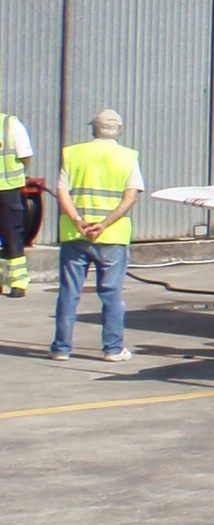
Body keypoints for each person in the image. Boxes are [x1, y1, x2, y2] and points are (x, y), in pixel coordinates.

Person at [51, 108, 142, 362]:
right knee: (111, 294)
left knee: (69, 293)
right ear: (119, 130)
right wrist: (104, 224)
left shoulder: (72, 153)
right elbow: (131, 197)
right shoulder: (128, 157)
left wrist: (78, 221)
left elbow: (62, 191)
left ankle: (61, 348)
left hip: (75, 235)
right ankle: (112, 349)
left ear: (94, 128)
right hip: (112, 237)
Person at [0, 104, 33, 297]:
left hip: (8, 190)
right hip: (10, 189)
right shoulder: (10, 124)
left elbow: (25, 155)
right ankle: (17, 283)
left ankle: (18, 281)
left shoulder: (10, 124)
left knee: (12, 235)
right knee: (13, 235)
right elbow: (26, 157)